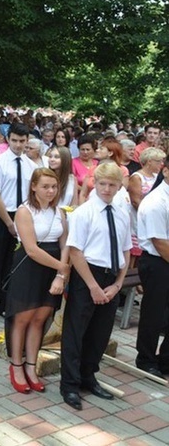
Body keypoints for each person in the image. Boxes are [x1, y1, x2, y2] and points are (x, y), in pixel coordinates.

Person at [60, 162, 131, 410]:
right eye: (102, 184)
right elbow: (76, 251)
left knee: (100, 333)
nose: (107, 189)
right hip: (87, 277)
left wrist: (118, 284)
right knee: (76, 331)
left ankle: (88, 376)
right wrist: (92, 286)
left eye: (112, 185)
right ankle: (69, 384)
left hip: (111, 279)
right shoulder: (84, 213)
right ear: (94, 183)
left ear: (119, 186)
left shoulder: (121, 213)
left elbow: (125, 251)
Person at [5, 168, 69, 394]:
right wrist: (61, 267)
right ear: (33, 186)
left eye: (54, 187)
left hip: (52, 271)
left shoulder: (60, 212)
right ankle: (16, 365)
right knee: (22, 318)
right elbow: (31, 249)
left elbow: (65, 245)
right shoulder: (24, 211)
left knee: (40, 319)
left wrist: (61, 275)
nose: (50, 191)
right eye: (45, 186)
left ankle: (32, 366)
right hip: (30, 267)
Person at [0, 123, 36, 328]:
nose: (18, 145)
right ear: (8, 139)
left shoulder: (31, 166)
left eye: (22, 141)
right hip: (1, 215)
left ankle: (5, 306)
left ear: (27, 141)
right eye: (14, 141)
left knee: (12, 266)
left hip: (21, 215)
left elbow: (31, 195)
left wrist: (23, 221)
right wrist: (10, 223)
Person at [136, 156, 169, 378]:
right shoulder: (156, 202)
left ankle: (165, 359)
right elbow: (160, 242)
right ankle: (146, 358)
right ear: (165, 171)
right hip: (157, 262)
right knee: (153, 314)